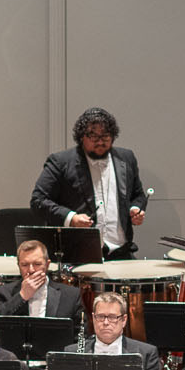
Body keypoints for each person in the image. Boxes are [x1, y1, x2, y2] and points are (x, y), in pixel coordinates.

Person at [31, 106, 147, 259]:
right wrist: (71, 218)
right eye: (93, 136)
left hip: (122, 252)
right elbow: (38, 201)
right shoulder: (61, 162)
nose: (100, 141)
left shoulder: (126, 158)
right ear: (81, 137)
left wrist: (135, 209)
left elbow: (138, 195)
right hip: (79, 255)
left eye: (105, 136)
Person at [0, 238, 83, 325]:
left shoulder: (72, 295)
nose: (31, 270)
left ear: (47, 265)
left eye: (37, 264)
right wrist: (21, 296)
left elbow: (80, 331)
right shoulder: (4, 292)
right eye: (25, 265)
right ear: (18, 266)